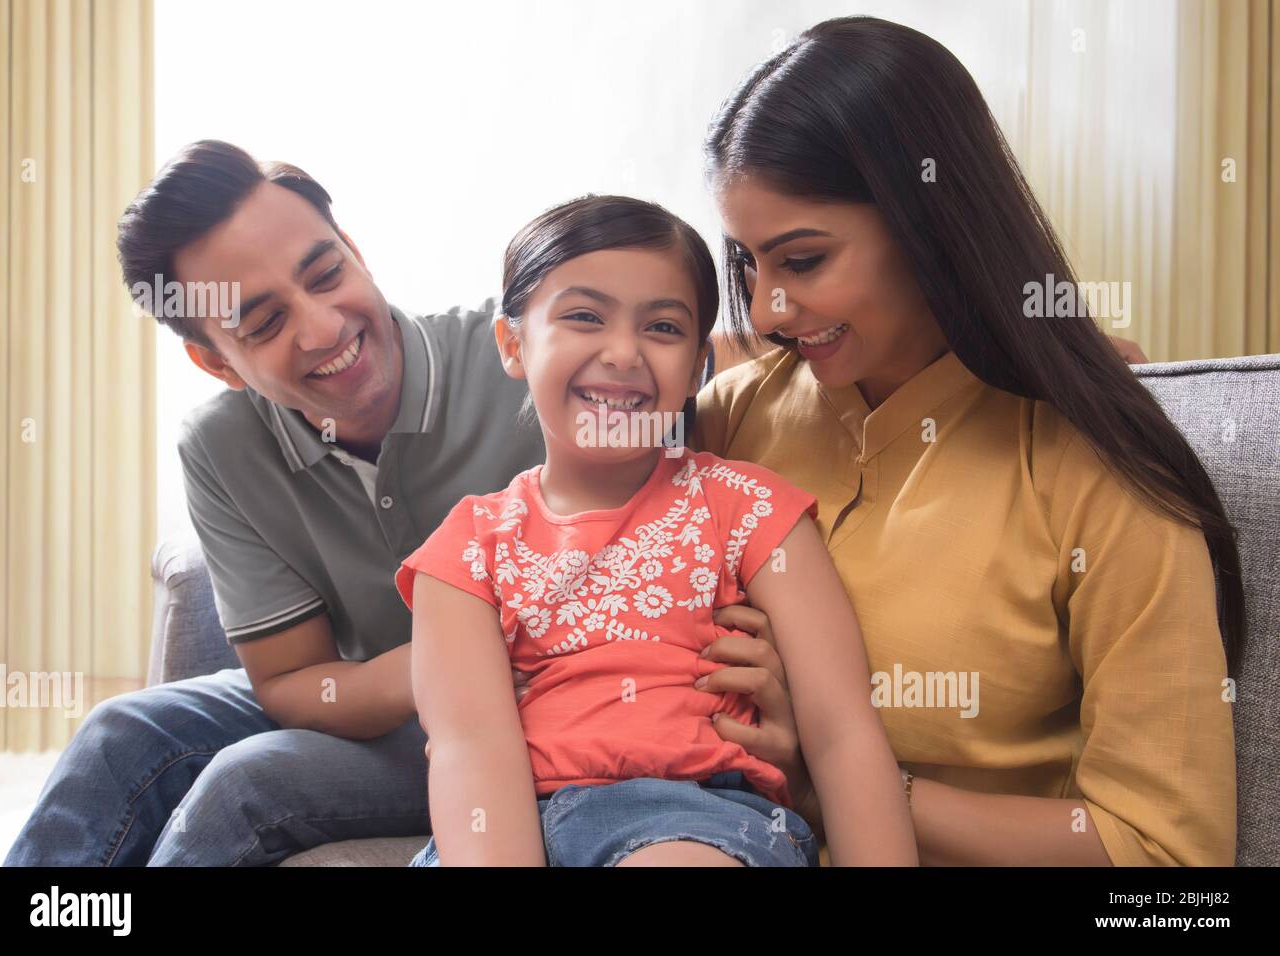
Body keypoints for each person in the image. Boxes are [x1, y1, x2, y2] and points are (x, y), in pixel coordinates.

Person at [692, 16, 1240, 865]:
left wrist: (841, 782)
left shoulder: (1090, 463)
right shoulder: (734, 417)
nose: (765, 309)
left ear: (927, 224)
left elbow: (1166, 855)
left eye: (802, 262)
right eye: (748, 265)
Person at [397, 194, 917, 866]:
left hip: (695, 817)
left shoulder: (749, 506)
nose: (622, 353)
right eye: (584, 317)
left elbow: (842, 730)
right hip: (512, 817)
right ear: (513, 344)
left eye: (663, 328)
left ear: (700, 362)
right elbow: (471, 750)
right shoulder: (466, 545)